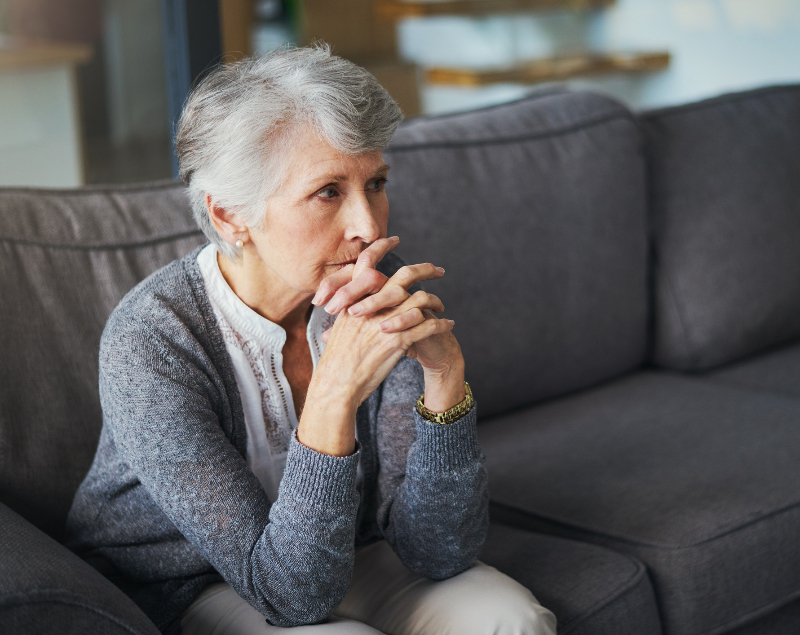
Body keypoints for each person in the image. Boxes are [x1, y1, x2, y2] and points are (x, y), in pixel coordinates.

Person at [66, 46, 557, 635]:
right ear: (229, 217)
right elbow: (292, 598)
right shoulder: (151, 343)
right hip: (187, 584)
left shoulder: (374, 286)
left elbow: (441, 553)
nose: (370, 227)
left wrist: (444, 380)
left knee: (508, 618)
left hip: (344, 548)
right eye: (328, 192)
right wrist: (333, 395)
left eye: (375, 183)